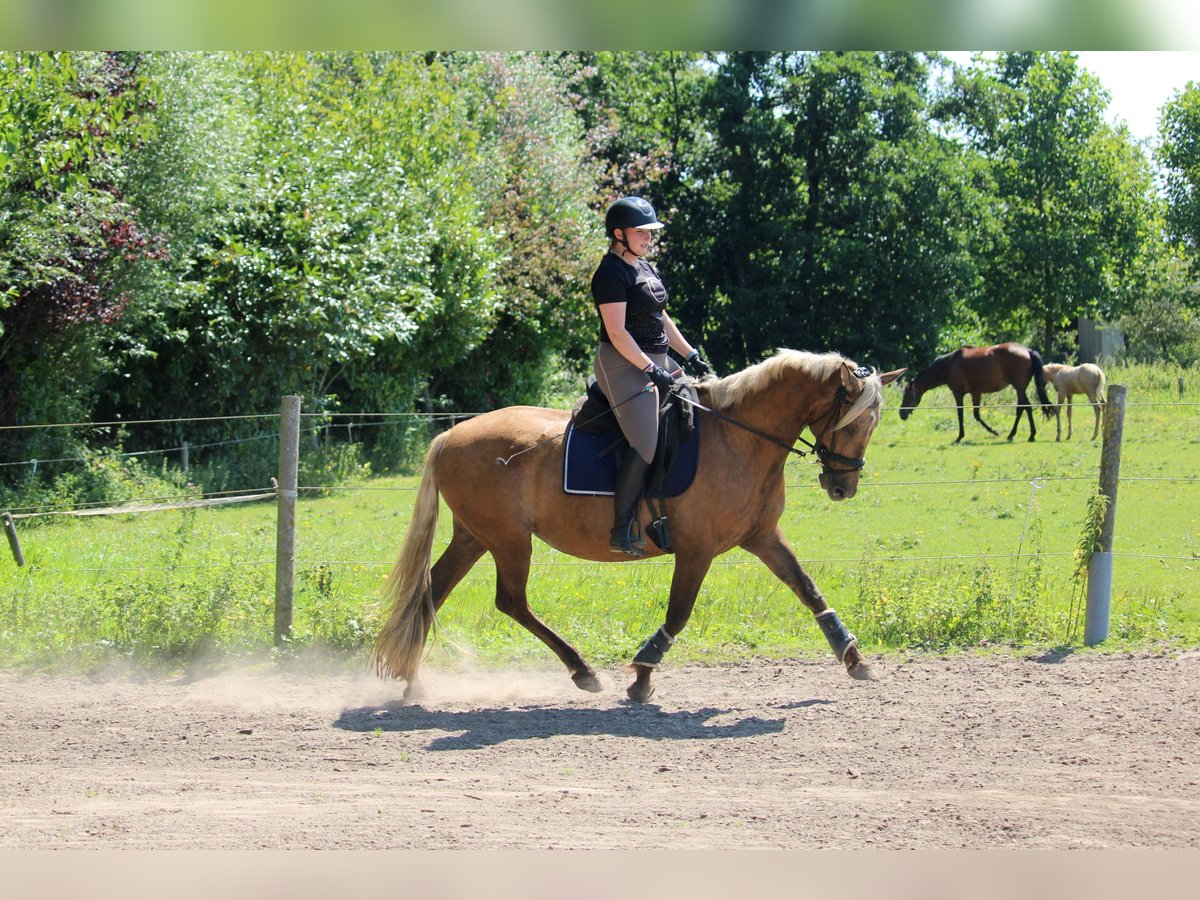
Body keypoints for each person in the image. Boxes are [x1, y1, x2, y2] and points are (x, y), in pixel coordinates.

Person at [590, 196, 713, 557]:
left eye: (650, 232)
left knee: (694, 412)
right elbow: (617, 333)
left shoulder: (644, 266)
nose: (647, 237)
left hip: (655, 359)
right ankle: (622, 526)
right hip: (621, 363)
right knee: (645, 442)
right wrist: (651, 369)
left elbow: (661, 319)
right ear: (618, 234)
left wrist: (689, 354)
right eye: (640, 232)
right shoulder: (610, 273)